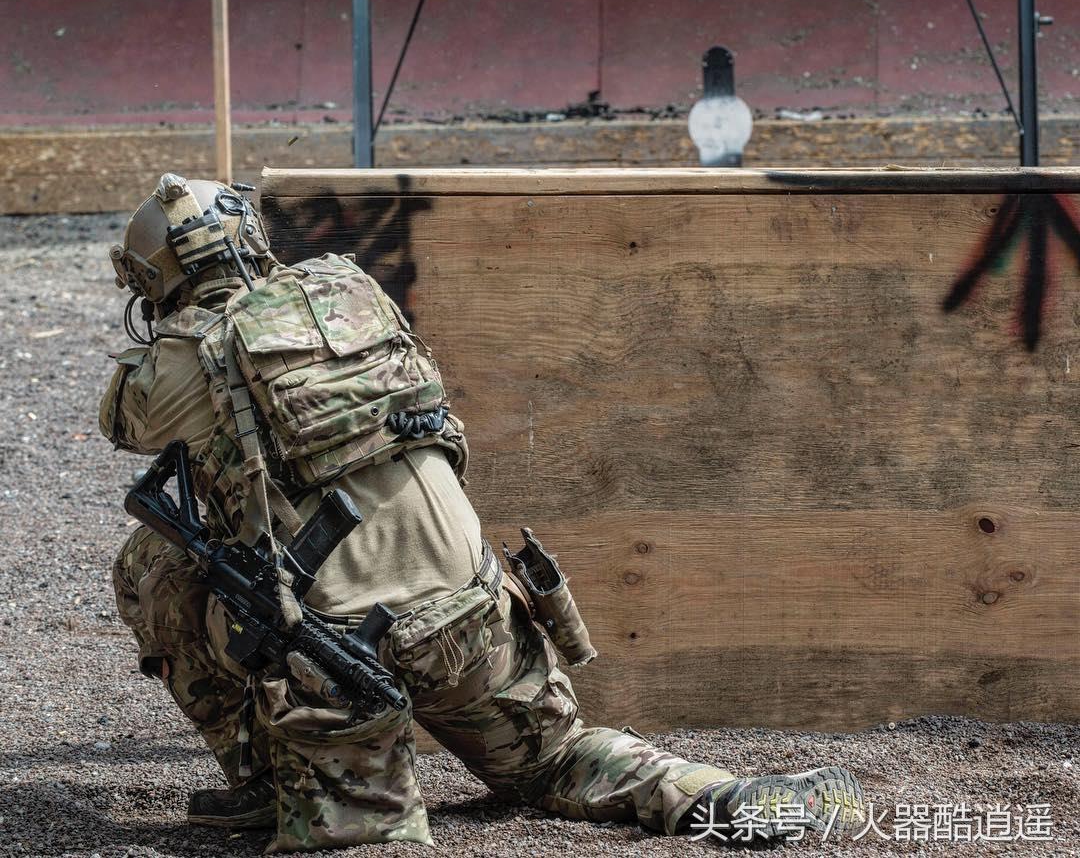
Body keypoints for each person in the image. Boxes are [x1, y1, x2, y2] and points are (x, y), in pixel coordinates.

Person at [102, 174, 865, 851]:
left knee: (153, 563)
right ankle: (723, 796)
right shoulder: (349, 293)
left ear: (158, 277)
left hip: (343, 662)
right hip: (473, 616)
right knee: (558, 759)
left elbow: (120, 421)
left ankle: (274, 782)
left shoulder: (184, 356)